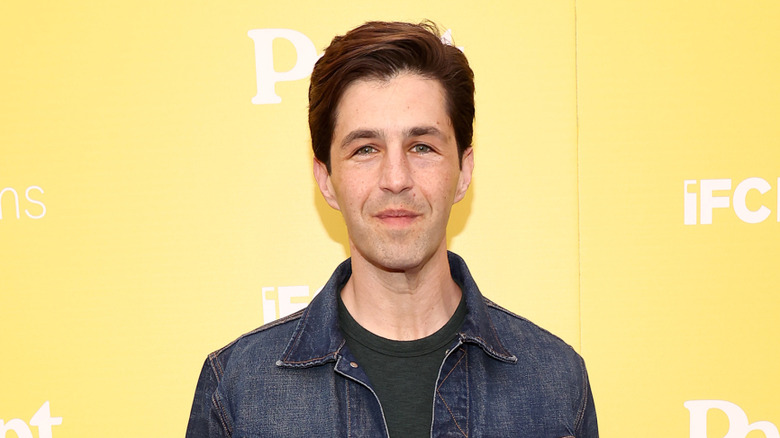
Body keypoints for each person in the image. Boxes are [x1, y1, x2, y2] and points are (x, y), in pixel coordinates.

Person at [186, 20, 598, 437]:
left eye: (422, 146)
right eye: (365, 149)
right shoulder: (238, 389)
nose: (396, 178)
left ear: (464, 170)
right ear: (326, 179)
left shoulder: (557, 383)